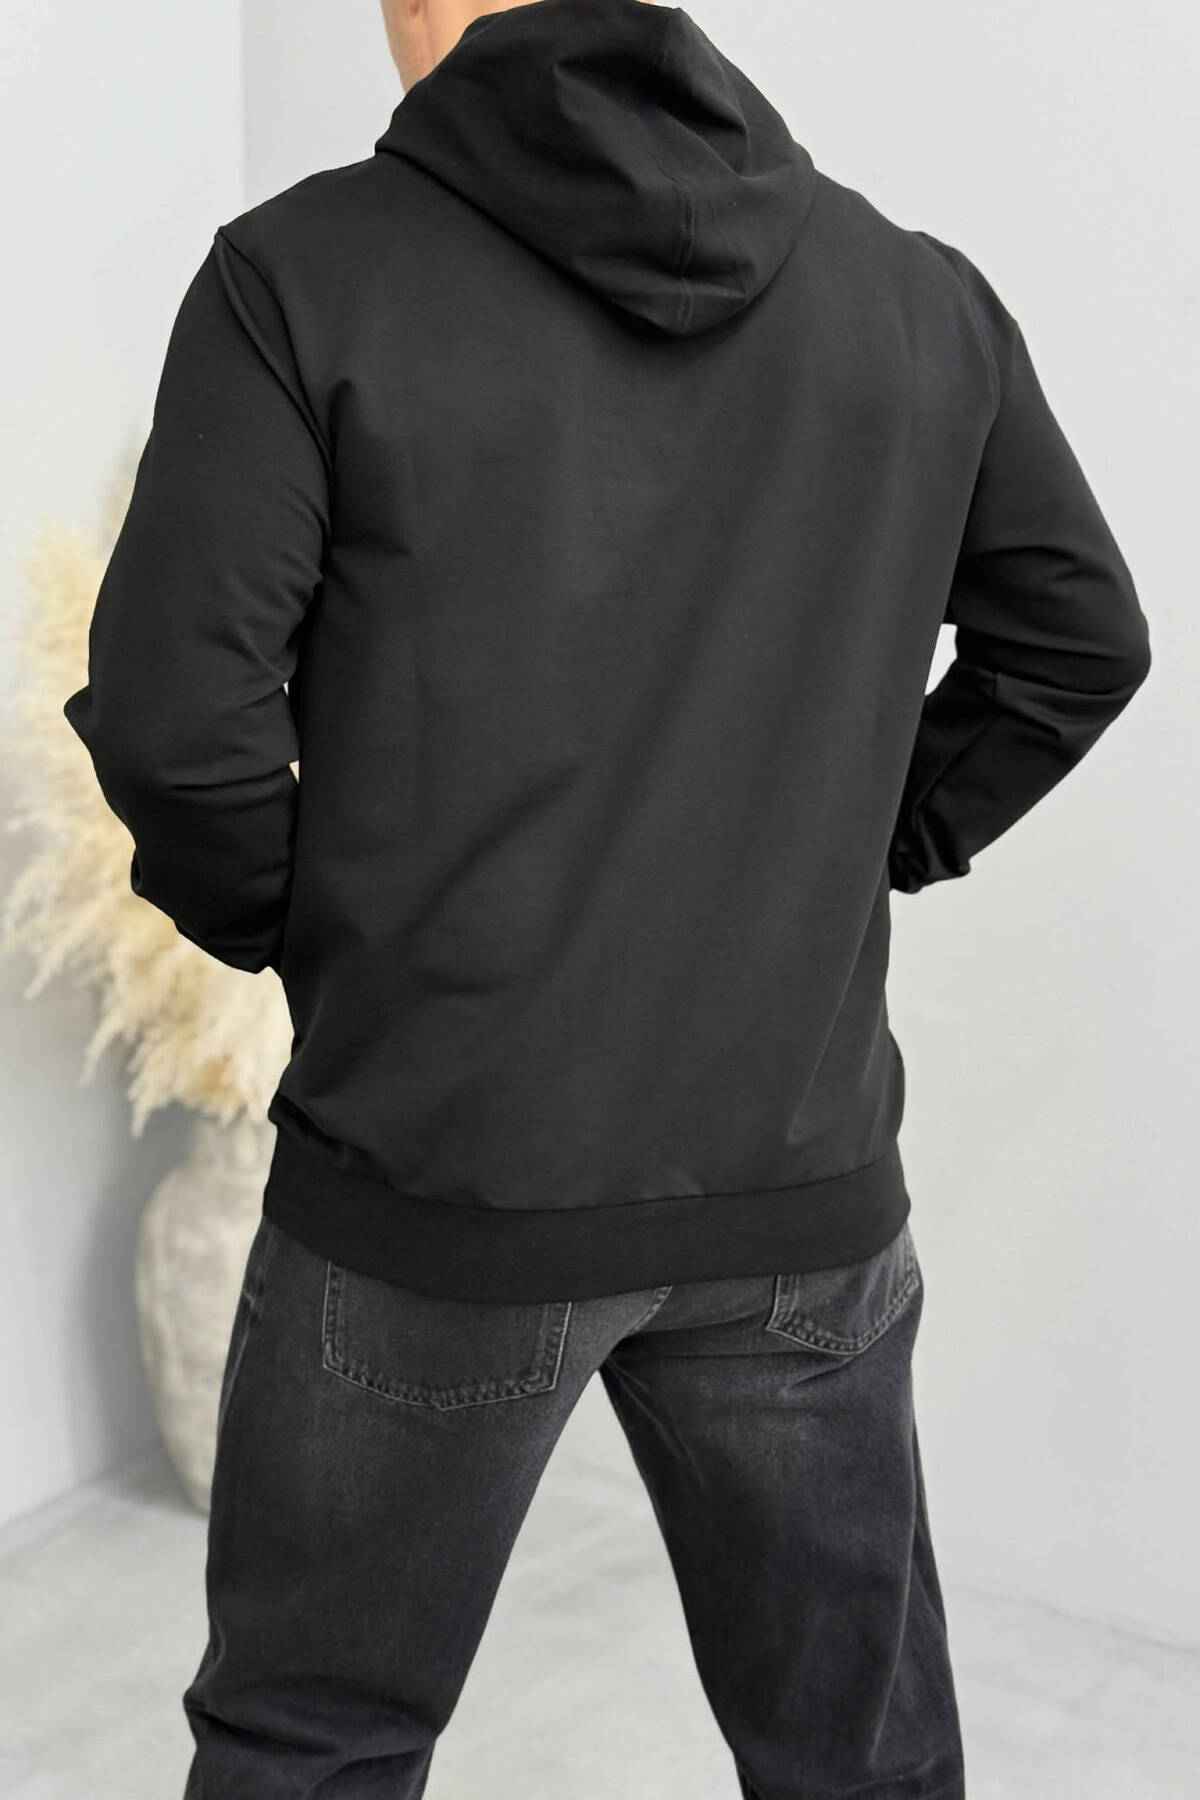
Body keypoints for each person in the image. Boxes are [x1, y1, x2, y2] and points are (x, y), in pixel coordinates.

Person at [62, 0, 1152, 1793]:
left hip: (438, 1180)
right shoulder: (912, 294)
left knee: (312, 1743)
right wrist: (863, 846)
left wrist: (335, 940)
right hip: (797, 1188)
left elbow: (183, 729)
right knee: (861, 1763)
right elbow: (1077, 643)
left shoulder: (299, 277)